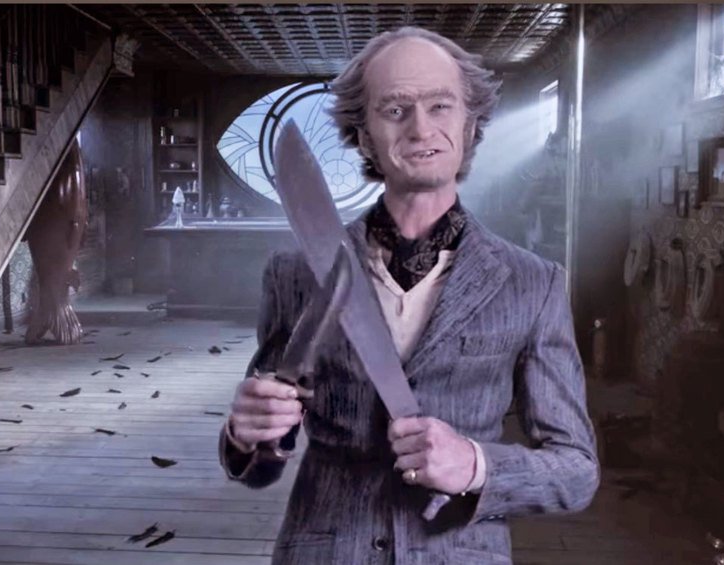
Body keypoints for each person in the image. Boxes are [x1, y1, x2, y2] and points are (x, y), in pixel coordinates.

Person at [219, 26, 599, 564]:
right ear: (364, 136)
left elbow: (576, 471)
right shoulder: (295, 274)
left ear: (470, 124)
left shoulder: (533, 284)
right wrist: (246, 434)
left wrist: (476, 465)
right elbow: (261, 467)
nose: (421, 128)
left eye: (440, 106)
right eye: (395, 110)